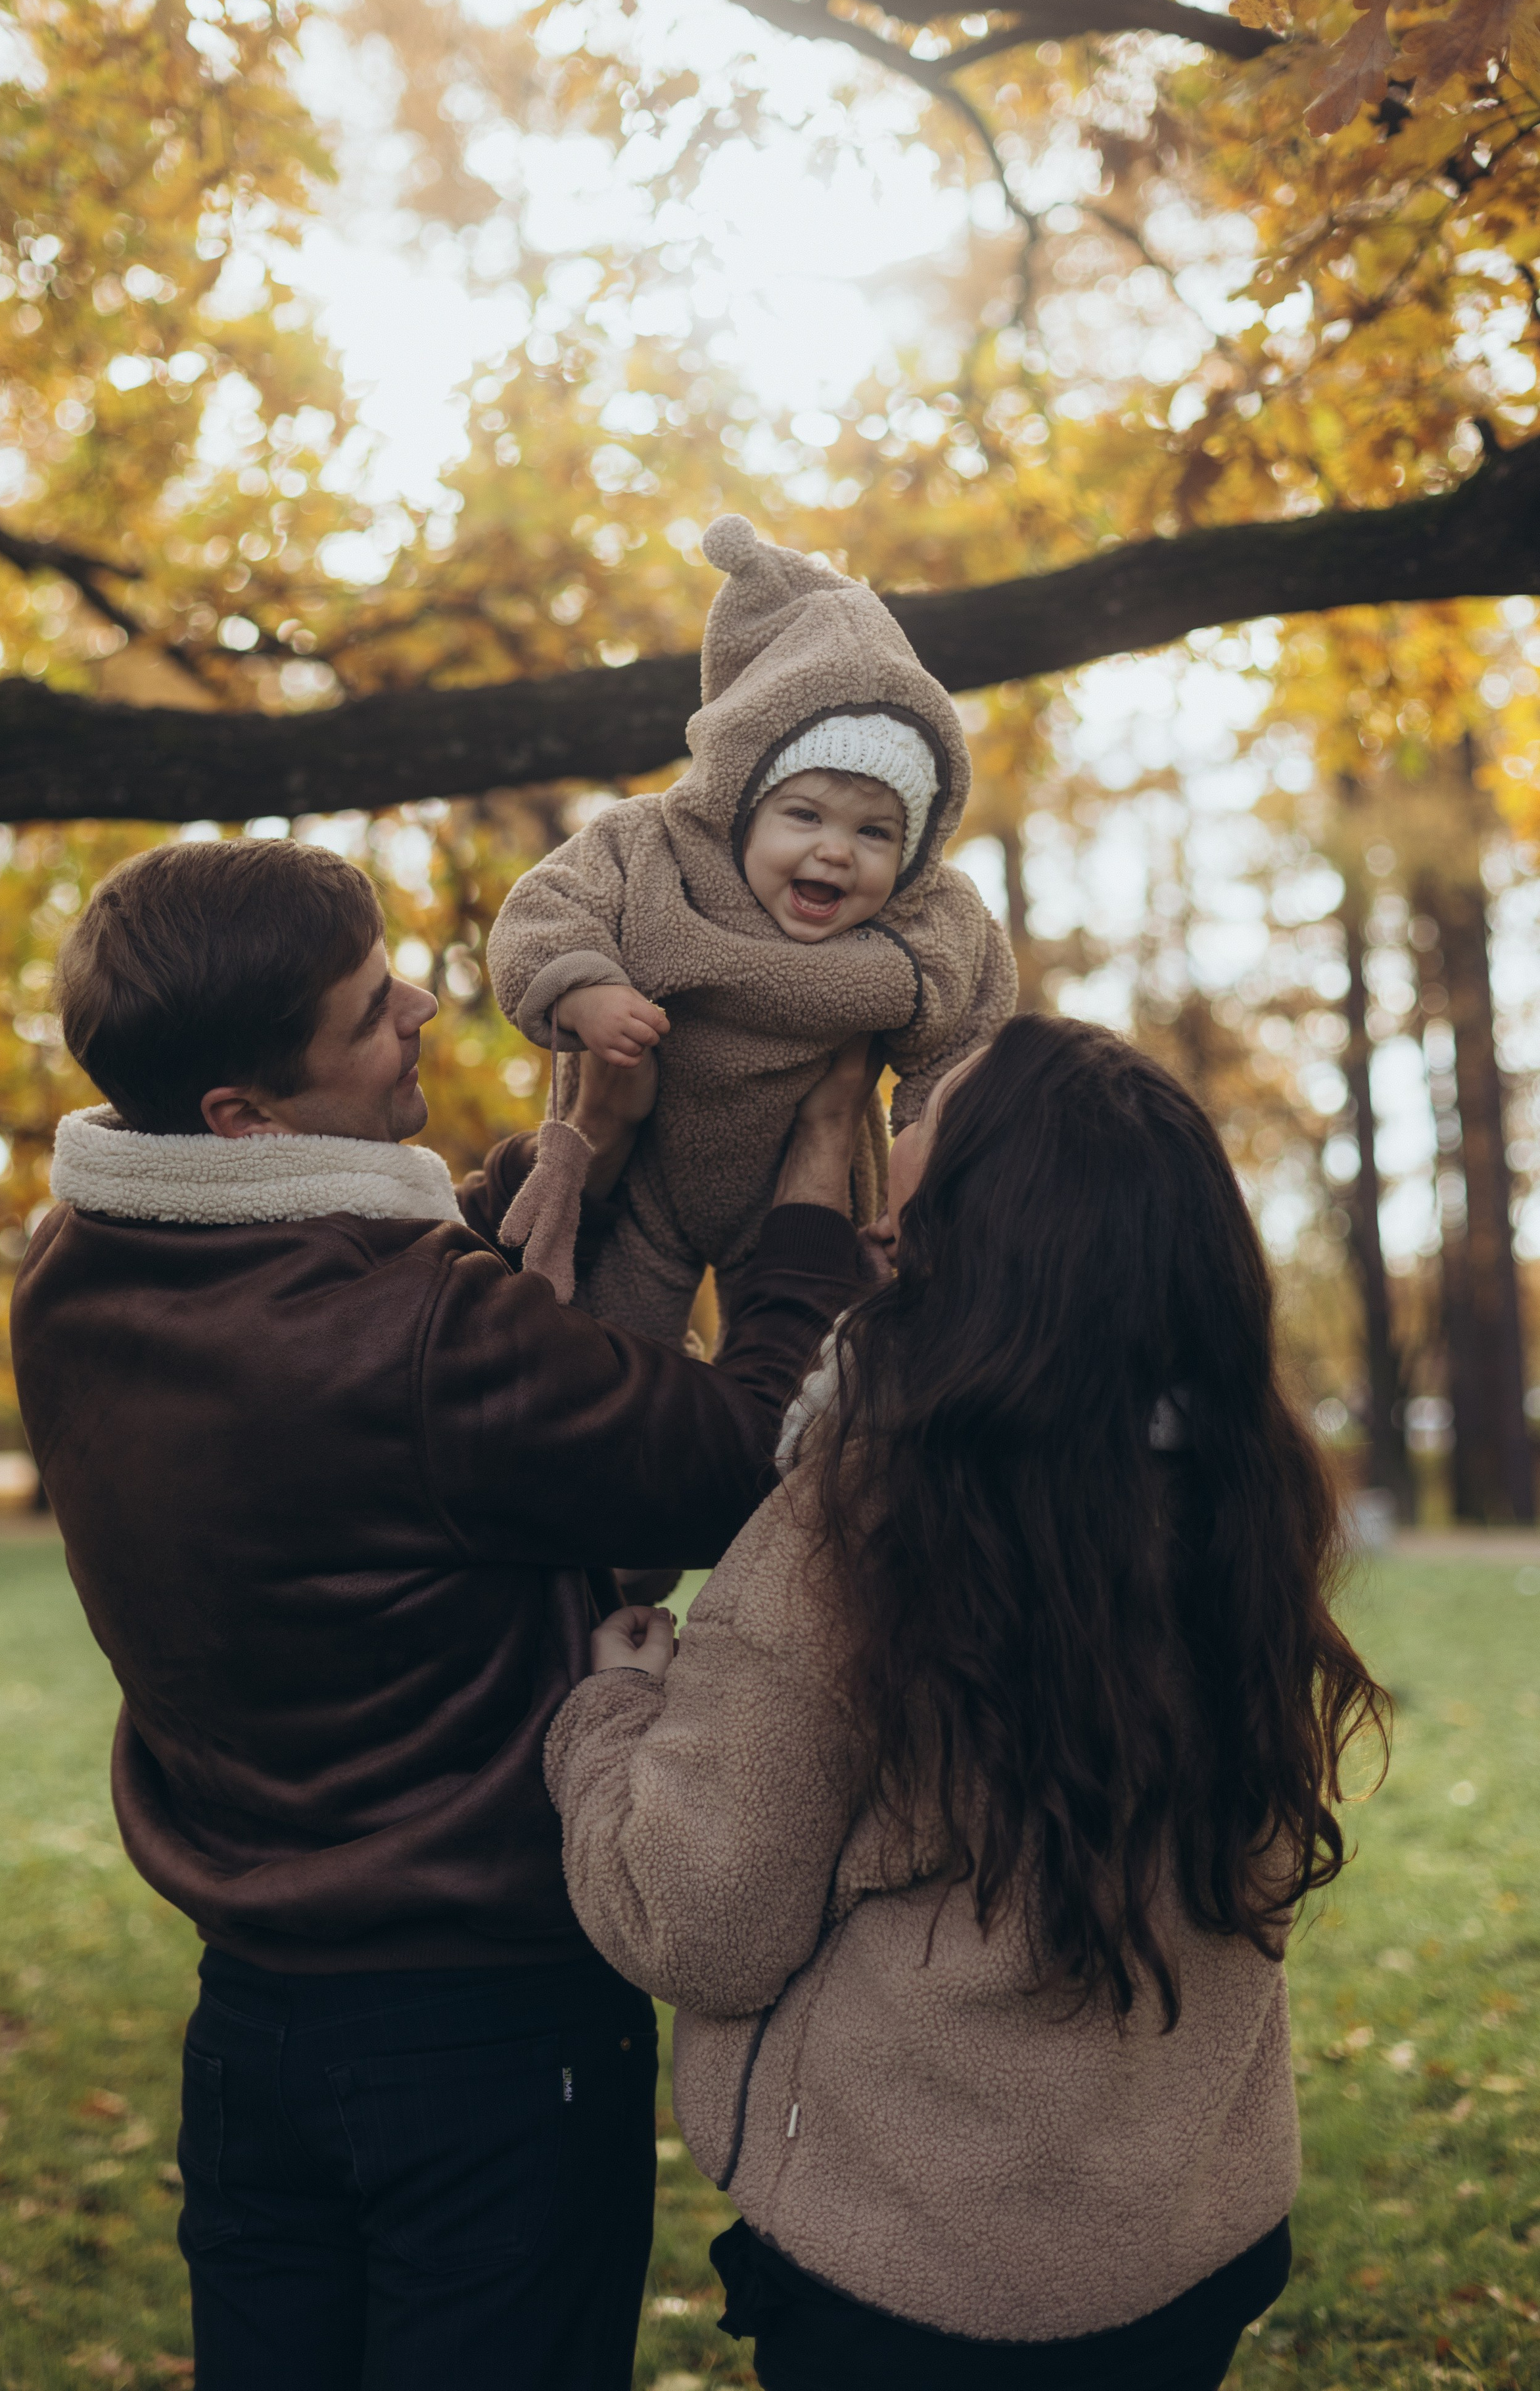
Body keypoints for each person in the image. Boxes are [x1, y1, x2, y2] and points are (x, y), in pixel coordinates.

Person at [9, 834, 875, 2391]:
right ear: (242, 1115)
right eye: (365, 1008)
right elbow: (733, 1455)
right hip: (484, 2040)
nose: (418, 1003)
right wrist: (808, 1211)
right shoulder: (416, 1339)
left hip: (251, 2024)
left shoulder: (74, 1268)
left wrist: (574, 1150)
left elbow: (358, 1310)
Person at [546, 1013, 1391, 2391]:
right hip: (1190, 2239)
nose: (902, 1132)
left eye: (928, 1117)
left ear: (972, 1219)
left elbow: (695, 1919)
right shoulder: (1240, 1492)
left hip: (915, 2278)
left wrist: (608, 1720)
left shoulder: (862, 1525)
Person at [485, 513, 1015, 1338]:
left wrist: (930, 1180)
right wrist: (586, 989)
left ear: (913, 850)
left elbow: (964, 1047)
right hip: (641, 1174)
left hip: (808, 1184)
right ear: (741, 801)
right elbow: (544, 908)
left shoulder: (930, 919)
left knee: (818, 1372)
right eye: (805, 815)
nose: (836, 854)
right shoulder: (653, 850)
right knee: (607, 1351)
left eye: (874, 834)